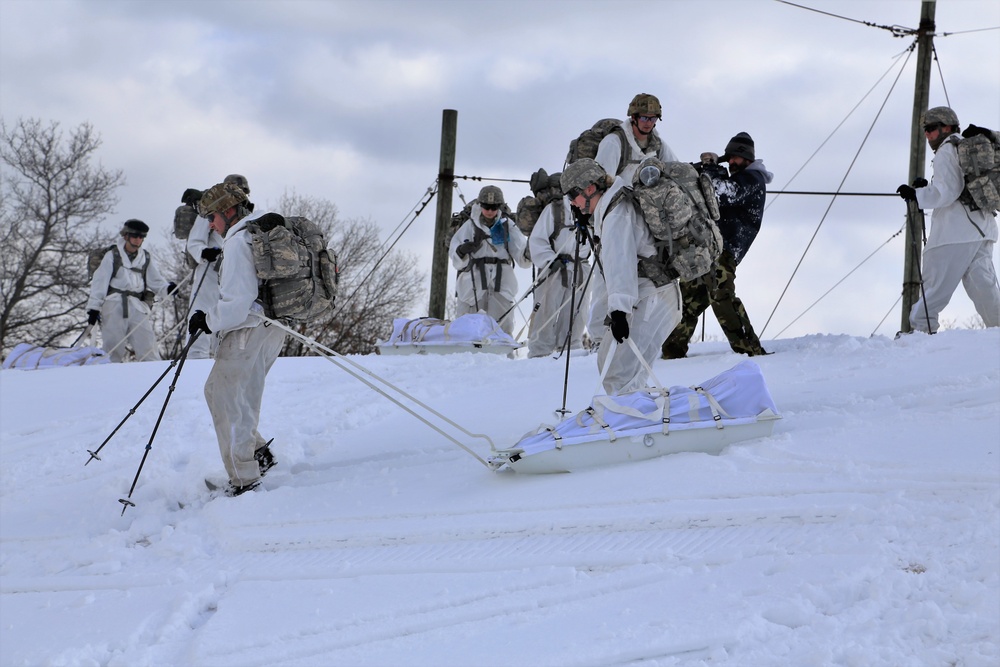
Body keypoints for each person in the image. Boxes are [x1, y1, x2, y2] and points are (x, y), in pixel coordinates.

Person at [187, 182, 285, 497]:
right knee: (244, 398)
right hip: (273, 329)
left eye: (212, 217)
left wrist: (207, 320)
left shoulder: (238, 241)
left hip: (247, 329)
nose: (211, 225)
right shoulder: (256, 235)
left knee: (220, 394)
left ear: (229, 211)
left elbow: (237, 302)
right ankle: (256, 455)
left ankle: (243, 478)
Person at [561, 159, 681, 395]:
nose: (572, 203)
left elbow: (621, 264)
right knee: (617, 368)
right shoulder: (613, 205)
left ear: (589, 189)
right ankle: (643, 418)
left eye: (572, 196)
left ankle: (638, 425)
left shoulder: (616, 214)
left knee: (619, 373)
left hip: (652, 297)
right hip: (654, 295)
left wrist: (618, 312)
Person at [662, 132, 771, 358]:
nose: (731, 162)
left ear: (748, 158)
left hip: (727, 249)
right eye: (728, 157)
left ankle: (750, 351)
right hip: (710, 248)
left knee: (721, 294)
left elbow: (722, 194)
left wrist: (711, 169)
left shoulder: (754, 179)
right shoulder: (737, 178)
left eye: (735, 158)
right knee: (687, 299)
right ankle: (671, 352)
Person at [896, 106, 1000, 333]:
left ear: (947, 128)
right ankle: (998, 332)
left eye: (931, 129)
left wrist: (917, 194)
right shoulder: (965, 148)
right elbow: (959, 187)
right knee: (985, 288)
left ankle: (920, 334)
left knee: (933, 289)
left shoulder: (946, 150)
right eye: (926, 130)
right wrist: (928, 188)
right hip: (983, 230)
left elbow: (948, 191)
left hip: (954, 234)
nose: (928, 135)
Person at [589, 93, 680, 349]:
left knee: (638, 277)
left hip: (644, 223)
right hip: (615, 217)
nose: (649, 123)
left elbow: (675, 170)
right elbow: (598, 181)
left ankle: (629, 333)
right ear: (633, 116)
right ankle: (598, 338)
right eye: (644, 117)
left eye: (653, 118)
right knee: (608, 276)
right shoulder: (615, 142)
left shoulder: (659, 146)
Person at [86, 219, 173, 362]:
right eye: (135, 236)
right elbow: (99, 282)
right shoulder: (112, 255)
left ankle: (153, 376)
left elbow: (155, 280)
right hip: (113, 305)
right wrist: (94, 308)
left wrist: (168, 288)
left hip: (137, 306)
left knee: (147, 345)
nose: (138, 240)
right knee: (113, 347)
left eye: (141, 237)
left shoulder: (145, 257)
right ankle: (108, 377)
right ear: (126, 236)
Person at [184, 174, 250, 359]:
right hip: (210, 271)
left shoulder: (246, 215)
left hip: (233, 270)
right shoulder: (212, 211)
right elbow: (194, 241)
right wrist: (204, 252)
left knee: (227, 314)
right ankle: (195, 358)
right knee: (202, 311)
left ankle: (220, 357)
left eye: (243, 192)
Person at [449, 185, 529, 335]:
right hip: (472, 281)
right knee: (467, 326)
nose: (490, 211)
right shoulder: (469, 225)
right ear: (480, 205)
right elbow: (455, 257)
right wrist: (462, 251)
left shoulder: (507, 225)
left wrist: (530, 251)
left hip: (502, 282)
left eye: (494, 207)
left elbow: (521, 255)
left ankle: (503, 356)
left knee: (502, 328)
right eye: (486, 207)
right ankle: (465, 357)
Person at [527, 182, 592, 357]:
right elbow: (537, 240)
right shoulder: (554, 210)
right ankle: (539, 353)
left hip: (580, 269)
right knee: (545, 312)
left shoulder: (592, 207)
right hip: (554, 268)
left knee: (577, 313)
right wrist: (550, 259)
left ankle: (571, 352)